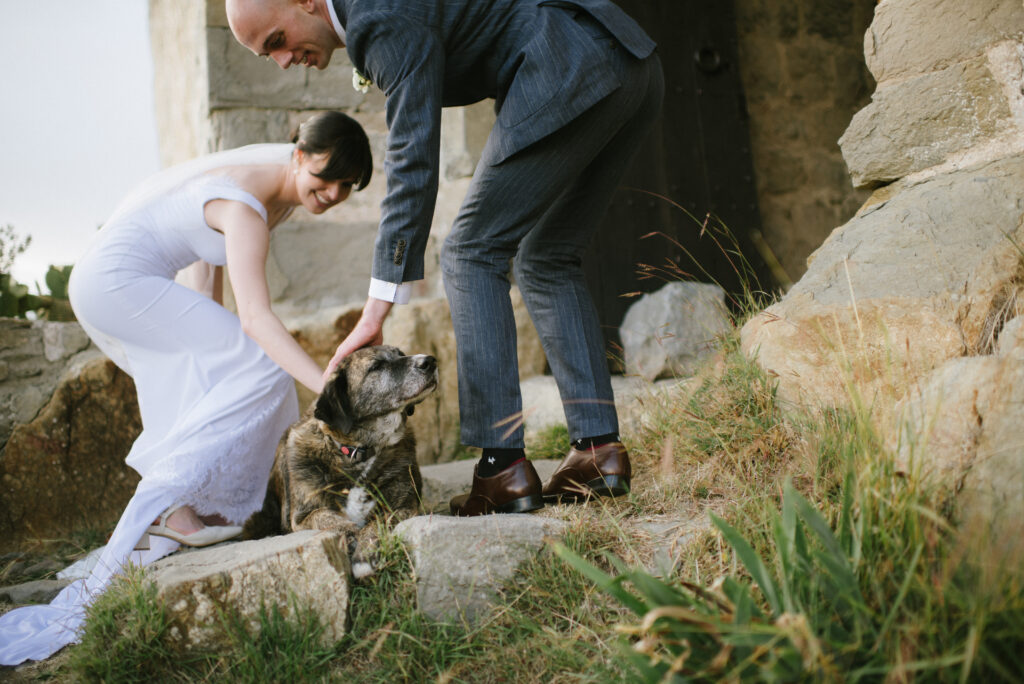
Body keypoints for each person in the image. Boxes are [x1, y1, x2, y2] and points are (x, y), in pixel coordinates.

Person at [227, 0, 664, 516]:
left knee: (469, 251)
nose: (280, 61)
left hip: (565, 68)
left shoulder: (374, 17)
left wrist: (376, 309)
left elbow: (413, 155)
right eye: (265, 56)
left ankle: (502, 465)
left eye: (276, 40)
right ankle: (597, 452)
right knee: (547, 257)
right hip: (629, 63)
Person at [0, 111, 373, 665]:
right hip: (116, 282)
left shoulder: (273, 192)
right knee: (265, 369)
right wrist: (331, 391)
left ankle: (182, 509)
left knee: (227, 373)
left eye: (348, 186)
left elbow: (205, 273)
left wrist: (224, 349)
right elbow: (257, 321)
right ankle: (184, 503)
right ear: (298, 154)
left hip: (106, 281)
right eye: (327, 177)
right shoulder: (248, 207)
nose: (334, 193)